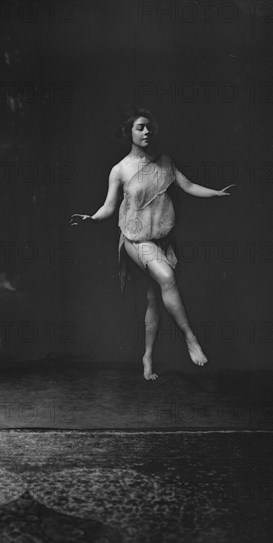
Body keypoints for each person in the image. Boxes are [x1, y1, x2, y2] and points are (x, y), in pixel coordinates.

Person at [70, 108, 234, 380]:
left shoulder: (165, 162)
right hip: (135, 237)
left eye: (150, 128)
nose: (147, 132)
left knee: (154, 299)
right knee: (167, 278)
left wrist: (216, 193)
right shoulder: (120, 169)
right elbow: (109, 207)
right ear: (129, 132)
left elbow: (188, 185)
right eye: (141, 127)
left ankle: (147, 358)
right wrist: (92, 218)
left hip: (163, 238)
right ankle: (191, 338)